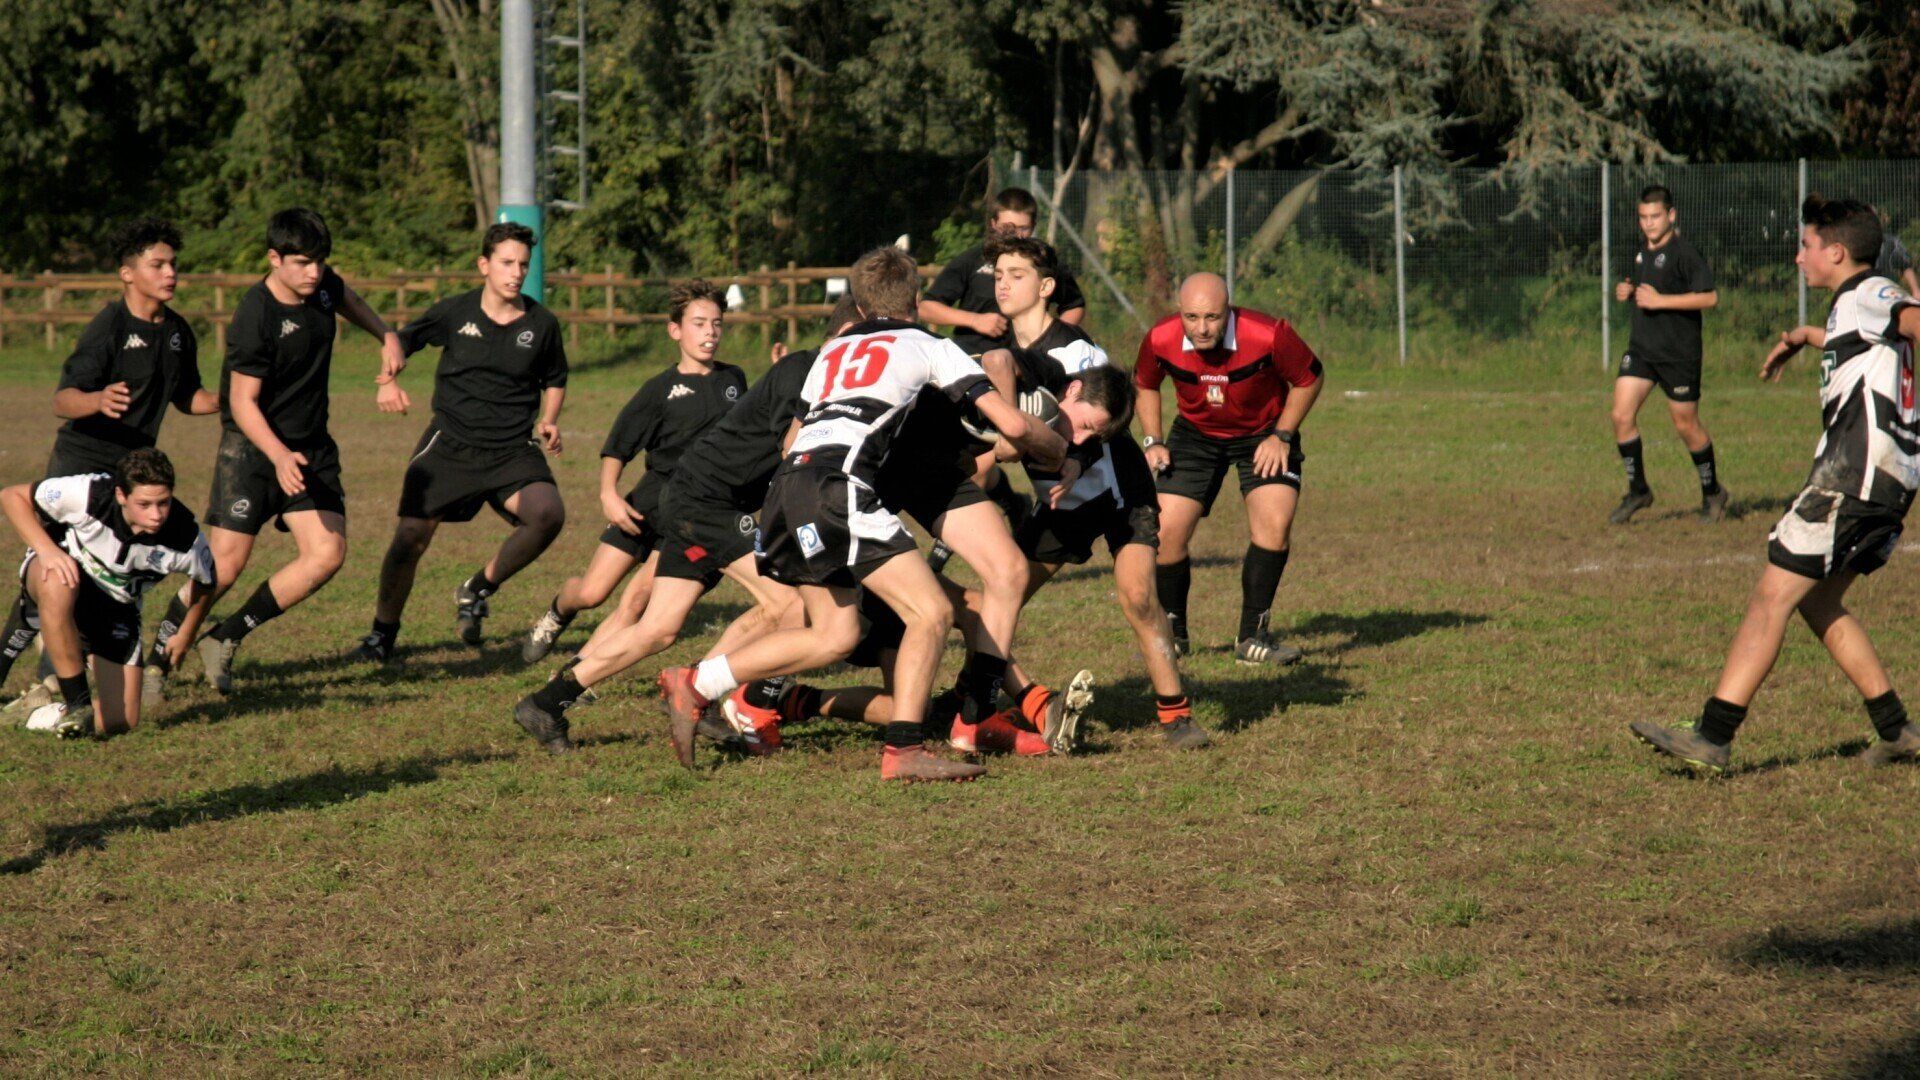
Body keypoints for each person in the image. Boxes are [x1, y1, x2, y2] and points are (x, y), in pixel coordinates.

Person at [580, 247, 1055, 781]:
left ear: (859, 301)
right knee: (931, 613)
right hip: (839, 488)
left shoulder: (831, 352)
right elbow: (1012, 428)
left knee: (835, 634)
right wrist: (1056, 448)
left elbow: (790, 441)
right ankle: (904, 751)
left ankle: (698, 682)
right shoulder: (923, 342)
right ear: (916, 301)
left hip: (787, 491)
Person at [1630, 196, 1920, 773]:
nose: (1798, 256)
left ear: (1836, 252)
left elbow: (1905, 316)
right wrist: (1804, 335)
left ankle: (1713, 736)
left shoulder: (1872, 292)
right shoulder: (1854, 303)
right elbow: (1864, 336)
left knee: (1771, 595)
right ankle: (1897, 730)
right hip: (1887, 482)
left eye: (1807, 245)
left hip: (1852, 478)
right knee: (1818, 601)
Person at [508, 298, 861, 754]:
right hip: (708, 499)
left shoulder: (819, 374)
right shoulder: (809, 370)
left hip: (698, 495)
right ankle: (701, 692)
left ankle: (546, 702)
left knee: (658, 628)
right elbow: (794, 445)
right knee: (789, 602)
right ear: (845, 332)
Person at [149, 208, 404, 695]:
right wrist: (279, 456)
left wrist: (386, 335)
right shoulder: (255, 315)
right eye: (303, 262)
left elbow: (348, 298)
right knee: (223, 566)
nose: (314, 272)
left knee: (327, 554)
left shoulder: (322, 285)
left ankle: (224, 638)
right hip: (252, 450)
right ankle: (159, 657)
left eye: (321, 262)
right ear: (274, 258)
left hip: (311, 448)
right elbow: (242, 404)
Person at [0, 218, 218, 714]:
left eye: (173, 265)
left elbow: (190, 398)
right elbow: (63, 400)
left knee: (97, 579)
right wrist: (97, 399)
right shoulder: (110, 327)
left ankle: (57, 684)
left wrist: (235, 400)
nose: (170, 274)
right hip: (79, 467)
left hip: (132, 477)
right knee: (55, 574)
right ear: (127, 273)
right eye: (156, 264)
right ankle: (49, 683)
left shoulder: (179, 332)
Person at [351, 223, 569, 660]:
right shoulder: (455, 312)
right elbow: (401, 341)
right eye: (507, 263)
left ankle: (478, 587)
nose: (516, 272)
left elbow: (556, 377)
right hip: (450, 445)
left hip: (510, 449)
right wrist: (387, 379)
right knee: (409, 537)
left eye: (523, 264)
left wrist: (548, 419)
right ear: (484, 265)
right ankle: (382, 634)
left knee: (548, 514)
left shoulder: (542, 324)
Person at [519, 280, 743, 664]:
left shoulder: (733, 381)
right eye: (699, 323)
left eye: (717, 323)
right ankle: (558, 611)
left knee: (637, 600)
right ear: (675, 330)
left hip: (687, 514)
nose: (710, 332)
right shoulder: (659, 389)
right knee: (592, 593)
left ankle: (576, 675)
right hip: (645, 505)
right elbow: (618, 447)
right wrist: (609, 494)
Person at [1138, 273, 1324, 665]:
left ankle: (1252, 638)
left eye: (1211, 317)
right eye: (1191, 317)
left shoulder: (1268, 334)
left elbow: (1309, 378)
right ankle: (1173, 634)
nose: (1201, 328)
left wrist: (1283, 435)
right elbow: (1145, 383)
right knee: (1165, 531)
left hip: (1263, 434)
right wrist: (1153, 440)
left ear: (1229, 310)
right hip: (1195, 436)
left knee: (1274, 524)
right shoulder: (1160, 338)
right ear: (1179, 311)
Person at [0, 449, 214, 737]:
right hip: (57, 574)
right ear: (121, 496)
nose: (156, 514)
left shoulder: (184, 537)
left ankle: (35, 713)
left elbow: (207, 583)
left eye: (163, 503)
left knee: (120, 720)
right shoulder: (89, 493)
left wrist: (187, 632)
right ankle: (77, 703)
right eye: (145, 504)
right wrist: (47, 550)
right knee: (60, 582)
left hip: (115, 608)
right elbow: (11, 496)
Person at [921, 186, 1089, 530]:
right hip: (968, 373)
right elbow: (927, 306)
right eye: (999, 277)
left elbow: (1074, 304)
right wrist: (974, 320)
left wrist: (1050, 341)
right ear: (993, 223)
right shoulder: (971, 262)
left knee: (985, 465)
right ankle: (1012, 505)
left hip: (1017, 376)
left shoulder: (1041, 265)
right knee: (971, 465)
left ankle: (956, 549)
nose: (1004, 284)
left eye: (1024, 229)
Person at [1609, 184, 1728, 524]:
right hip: (1642, 350)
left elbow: (1709, 298)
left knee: (1685, 424)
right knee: (1621, 415)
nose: (1649, 223)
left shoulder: (1684, 253)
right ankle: (1638, 490)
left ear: (1671, 215)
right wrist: (1626, 291)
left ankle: (1713, 492)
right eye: (1643, 217)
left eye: (1655, 216)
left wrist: (1661, 301)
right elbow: (1639, 287)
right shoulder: (1640, 252)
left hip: (1679, 354)